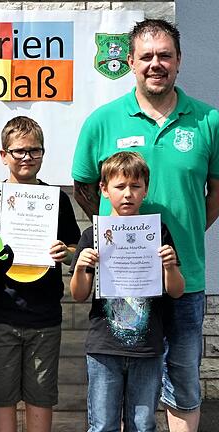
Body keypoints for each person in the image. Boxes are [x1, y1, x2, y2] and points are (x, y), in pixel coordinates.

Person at [71, 19, 219, 431]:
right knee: (120, 389)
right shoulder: (103, 120)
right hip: (123, 284)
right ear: (131, 62)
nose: (157, 64)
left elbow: (216, 191)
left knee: (184, 382)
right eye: (148, 56)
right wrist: (110, 236)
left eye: (165, 56)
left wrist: (186, 231)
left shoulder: (208, 121)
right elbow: (84, 184)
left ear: (179, 62)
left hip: (182, 277)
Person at [0, 116, 80, 432]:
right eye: (18, 151)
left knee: (41, 396)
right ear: (3, 155)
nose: (27, 157)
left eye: (34, 150)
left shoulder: (57, 199)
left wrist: (66, 252)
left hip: (44, 317)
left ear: (43, 154)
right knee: (2, 396)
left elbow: (75, 247)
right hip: (1, 313)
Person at [70, 151, 184, 431]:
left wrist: (169, 267)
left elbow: (177, 291)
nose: (128, 194)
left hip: (148, 346)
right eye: (120, 186)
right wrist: (81, 266)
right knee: (102, 424)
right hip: (104, 345)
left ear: (145, 190)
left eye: (135, 186)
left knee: (143, 424)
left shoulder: (157, 231)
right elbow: (78, 294)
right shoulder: (92, 236)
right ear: (104, 189)